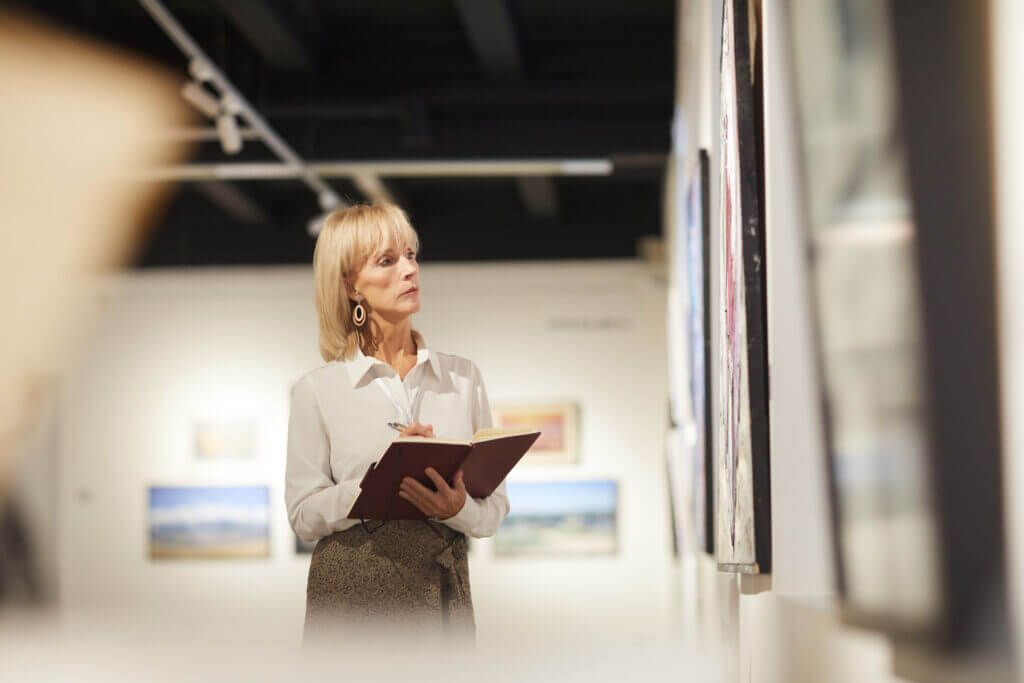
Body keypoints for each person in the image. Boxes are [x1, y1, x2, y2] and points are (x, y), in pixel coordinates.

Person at [284, 203, 509, 646]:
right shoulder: (318, 390)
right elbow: (303, 517)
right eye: (388, 261)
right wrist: (378, 479)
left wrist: (456, 508)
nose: (410, 269)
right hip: (351, 597)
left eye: (411, 255)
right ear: (351, 286)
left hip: (443, 593)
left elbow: (492, 513)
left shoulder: (463, 378)